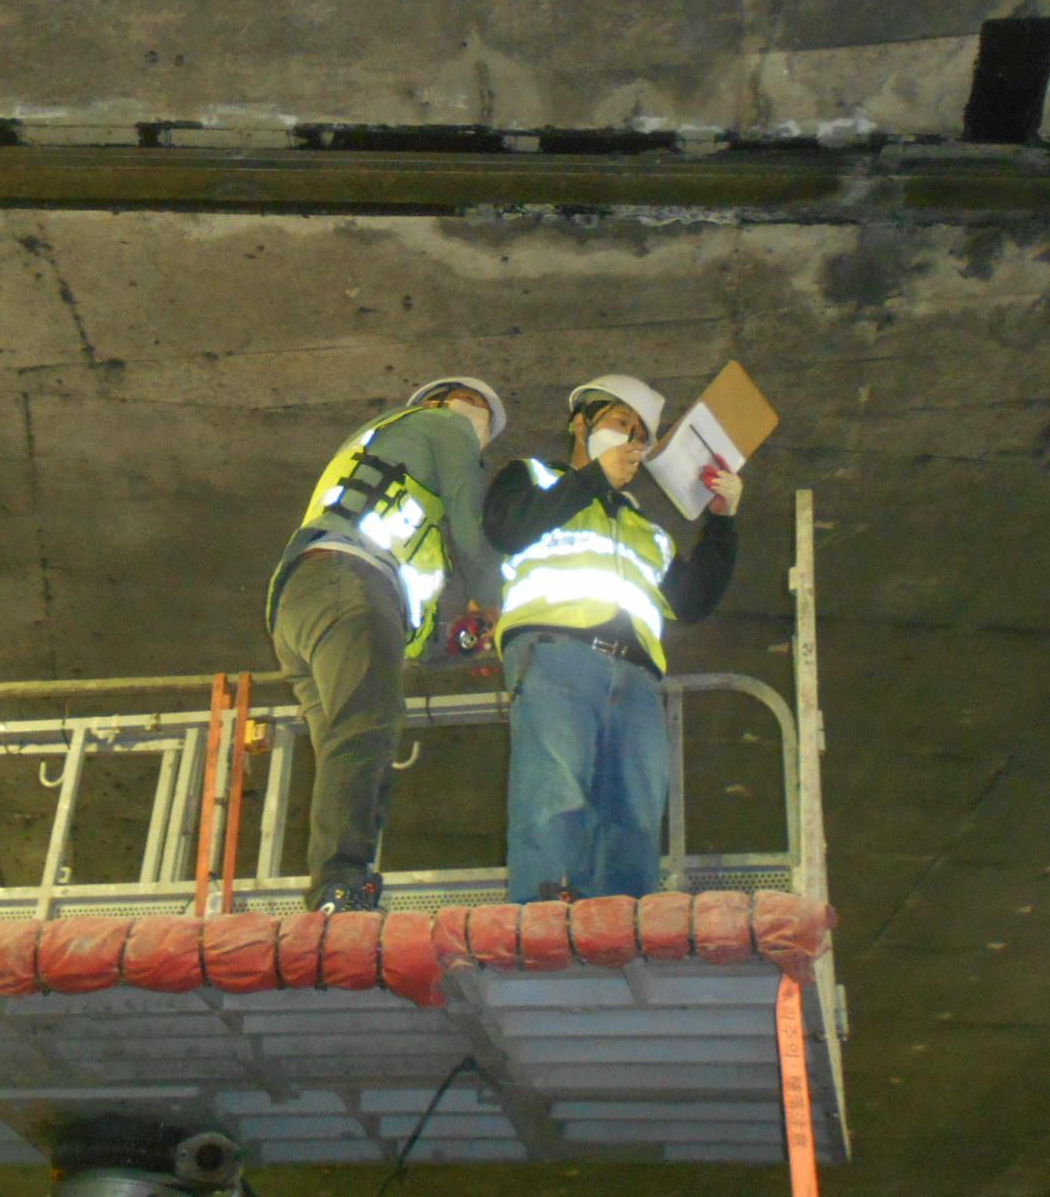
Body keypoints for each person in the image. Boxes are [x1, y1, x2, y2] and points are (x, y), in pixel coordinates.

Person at [484, 373, 741, 903]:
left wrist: (722, 522)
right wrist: (592, 480)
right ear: (580, 425)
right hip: (556, 655)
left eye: (640, 434)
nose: (632, 439)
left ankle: (624, 927)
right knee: (555, 796)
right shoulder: (531, 477)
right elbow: (508, 529)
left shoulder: (645, 528)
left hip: (637, 679)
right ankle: (544, 920)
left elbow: (693, 602)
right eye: (621, 422)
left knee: (636, 816)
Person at [266, 377, 507, 913]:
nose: (478, 426)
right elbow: (473, 528)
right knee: (364, 733)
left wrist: (457, 643)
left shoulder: (382, 460)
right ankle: (341, 884)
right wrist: (493, 603)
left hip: (304, 604)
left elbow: (406, 634)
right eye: (476, 410)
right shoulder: (442, 424)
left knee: (356, 750)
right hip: (349, 584)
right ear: (438, 403)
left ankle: (343, 889)